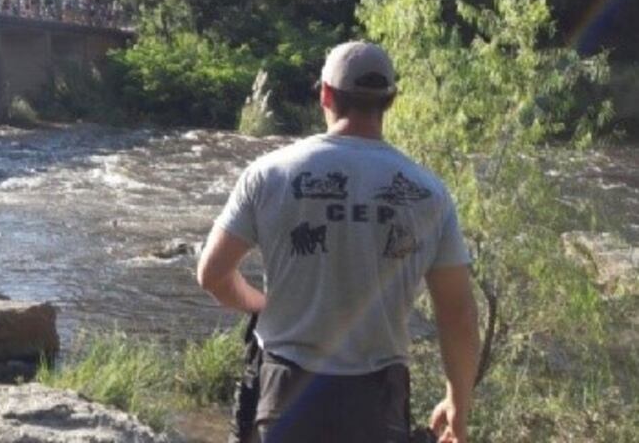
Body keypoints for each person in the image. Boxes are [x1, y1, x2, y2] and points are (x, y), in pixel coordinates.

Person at [197, 41, 480, 443]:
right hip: (377, 401)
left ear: (326, 95)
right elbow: (458, 314)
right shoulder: (429, 193)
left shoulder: (268, 174)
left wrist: (259, 303)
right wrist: (457, 401)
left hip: (285, 390)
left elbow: (212, 275)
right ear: (391, 101)